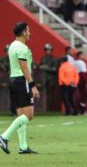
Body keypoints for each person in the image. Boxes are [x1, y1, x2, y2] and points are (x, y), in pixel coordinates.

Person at [0, 22, 40, 154]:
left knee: (21, 115)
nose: (29, 33)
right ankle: (4, 137)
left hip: (14, 80)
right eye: (28, 30)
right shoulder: (22, 47)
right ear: (23, 32)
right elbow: (24, 67)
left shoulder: (12, 45)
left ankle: (23, 146)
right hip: (22, 81)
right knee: (29, 115)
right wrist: (33, 85)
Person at [38, 43, 57, 111]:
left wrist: (45, 68)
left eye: (49, 50)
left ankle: (51, 108)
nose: (47, 51)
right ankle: (44, 108)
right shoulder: (43, 58)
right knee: (44, 94)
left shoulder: (53, 59)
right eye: (46, 50)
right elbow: (40, 66)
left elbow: (54, 69)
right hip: (43, 78)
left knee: (50, 94)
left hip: (51, 79)